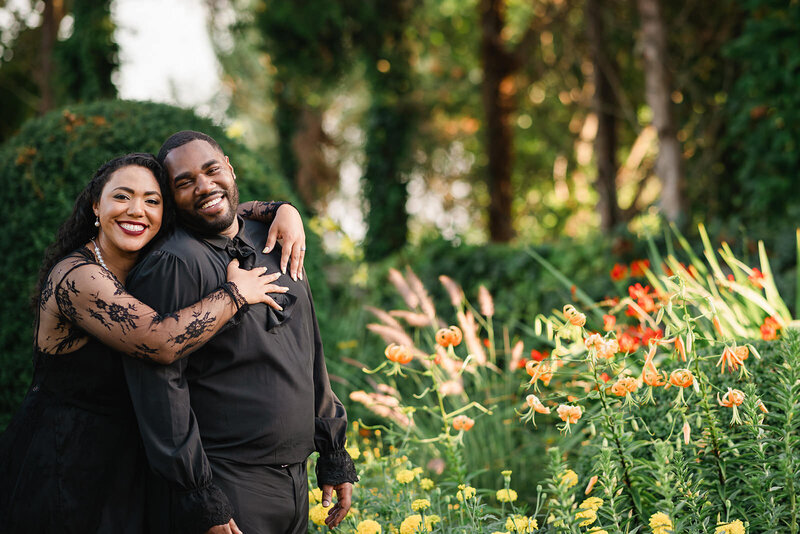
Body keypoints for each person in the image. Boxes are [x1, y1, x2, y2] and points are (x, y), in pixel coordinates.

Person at [0, 152, 306, 532]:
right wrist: (234, 294)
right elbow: (160, 340)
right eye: (122, 197)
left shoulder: (152, 264)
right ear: (97, 204)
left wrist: (284, 209)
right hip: (69, 462)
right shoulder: (76, 278)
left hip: (135, 461)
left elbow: (223, 206)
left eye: (152, 201)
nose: (137, 211)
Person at [123, 131, 357, 534]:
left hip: (295, 484)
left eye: (212, 170)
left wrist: (333, 450)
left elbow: (309, 350)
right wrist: (200, 495)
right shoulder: (173, 263)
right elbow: (160, 390)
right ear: (170, 197)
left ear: (230, 169)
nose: (204, 186)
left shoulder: (276, 239)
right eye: (184, 181)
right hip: (229, 485)